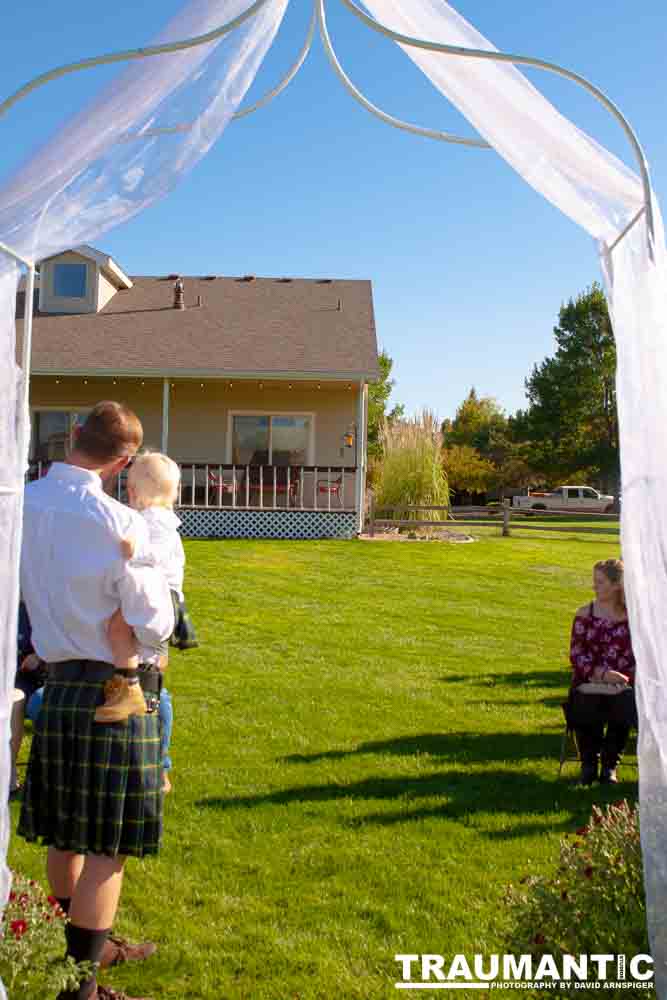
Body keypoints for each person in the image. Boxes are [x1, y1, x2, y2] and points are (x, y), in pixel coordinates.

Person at [17, 401, 175, 1000]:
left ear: (74, 434)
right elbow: (154, 623)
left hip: (55, 684)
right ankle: (80, 989)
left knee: (64, 834)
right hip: (113, 685)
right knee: (106, 848)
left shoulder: (22, 505)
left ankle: (83, 952)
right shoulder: (119, 524)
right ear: (124, 462)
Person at [568, 558, 637, 785]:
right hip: (590, 680)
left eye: (600, 582)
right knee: (587, 699)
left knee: (625, 700)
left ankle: (609, 766)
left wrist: (622, 677)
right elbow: (577, 656)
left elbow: (638, 656)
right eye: (594, 582)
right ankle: (588, 764)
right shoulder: (584, 614)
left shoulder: (633, 619)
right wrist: (603, 675)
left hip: (623, 683)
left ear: (617, 585)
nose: (594, 587)